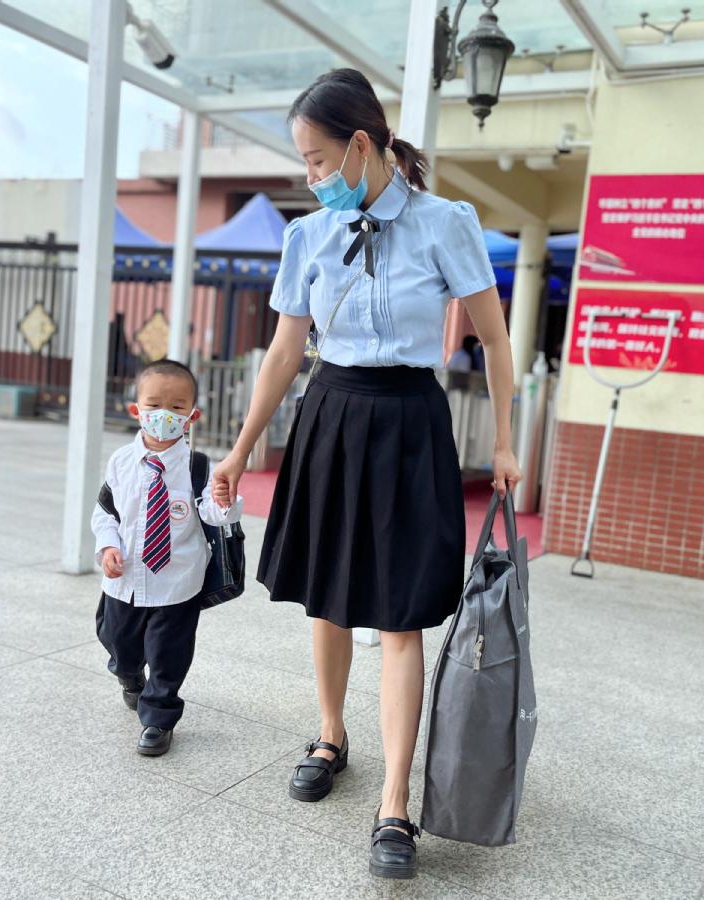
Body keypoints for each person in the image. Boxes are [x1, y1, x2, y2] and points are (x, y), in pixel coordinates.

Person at [211, 68, 521, 880]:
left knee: (401, 612)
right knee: (328, 594)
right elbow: (285, 351)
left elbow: (494, 338)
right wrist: (241, 449)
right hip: (332, 413)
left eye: (317, 160)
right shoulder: (307, 237)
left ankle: (395, 802)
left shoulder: (445, 223)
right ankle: (329, 734)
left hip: (410, 421)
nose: (312, 177)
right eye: (305, 164)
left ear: (359, 145)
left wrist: (508, 441)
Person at [92, 359, 243, 757]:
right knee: (117, 642)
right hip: (125, 578)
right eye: (154, 405)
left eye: (177, 407)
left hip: (177, 581)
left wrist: (224, 501)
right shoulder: (121, 462)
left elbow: (214, 515)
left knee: (168, 653)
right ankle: (129, 676)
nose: (165, 416)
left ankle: (159, 717)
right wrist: (108, 546)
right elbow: (106, 512)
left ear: (193, 415)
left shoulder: (198, 467)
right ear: (136, 410)